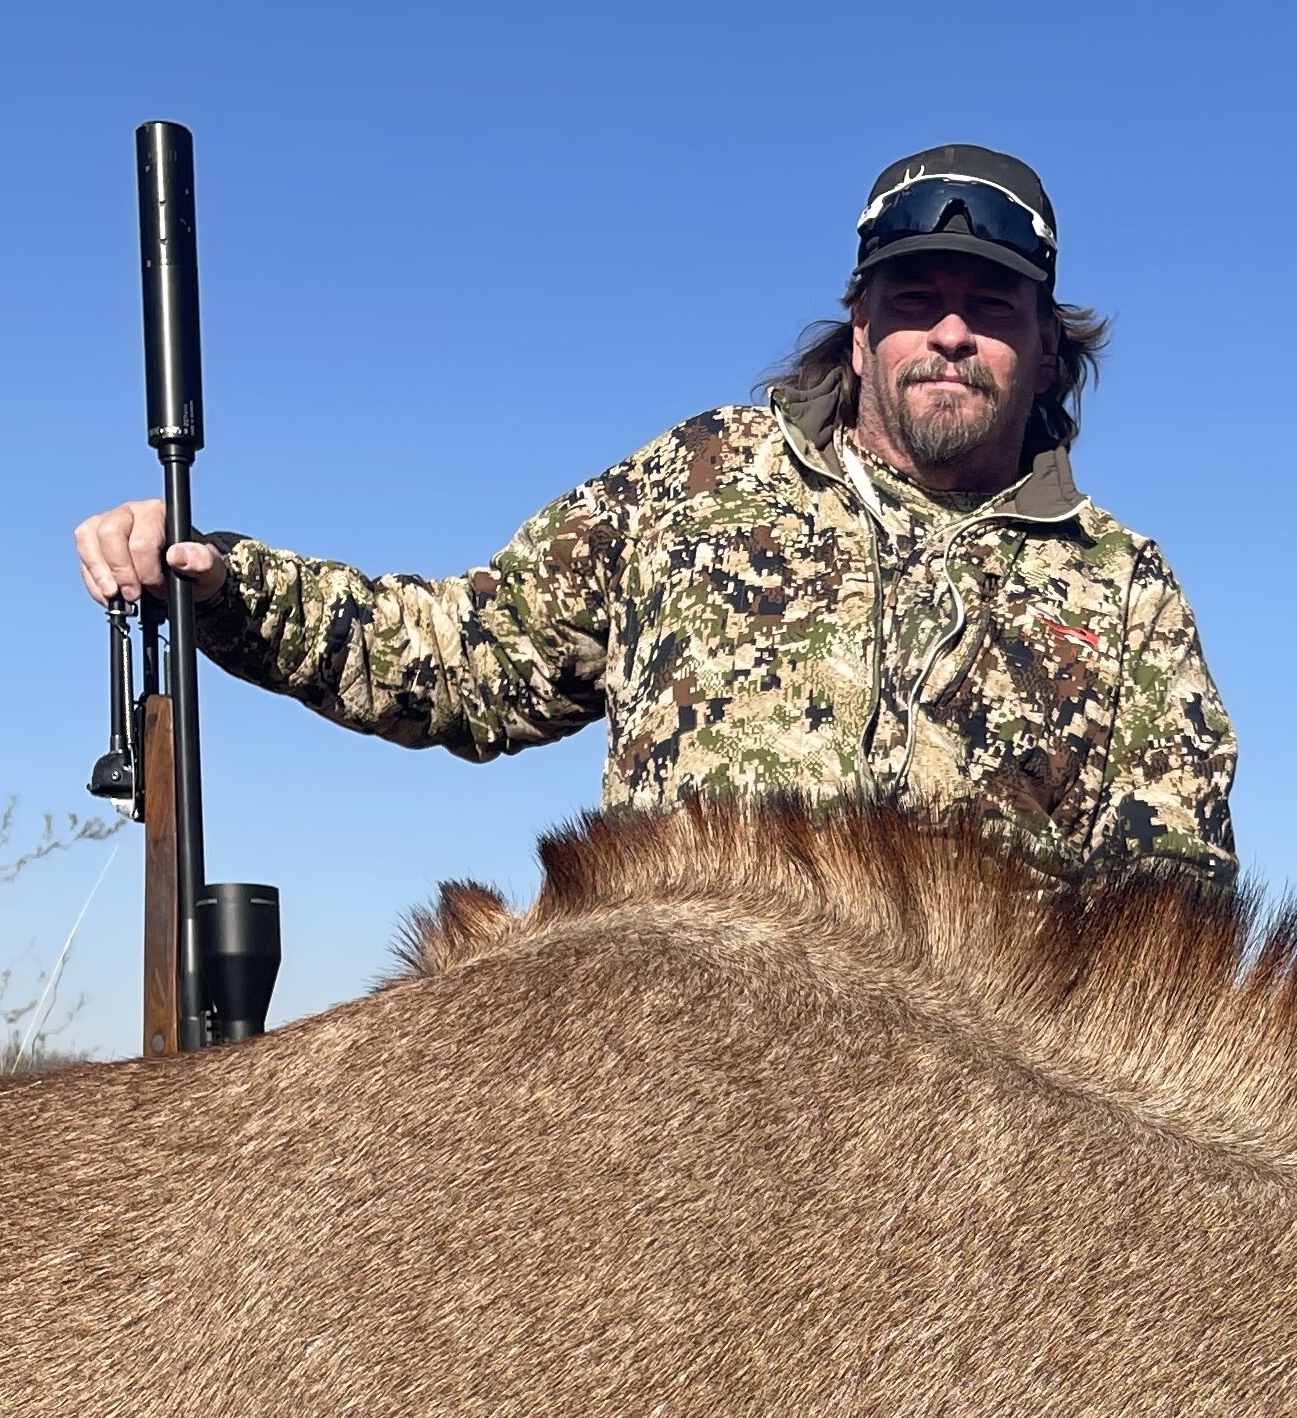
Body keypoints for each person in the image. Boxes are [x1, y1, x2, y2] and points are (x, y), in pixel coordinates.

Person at [72, 145, 1235, 889]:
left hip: (962, 1150)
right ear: (861, 327)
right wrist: (225, 582)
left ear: (1044, 351)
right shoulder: (693, 480)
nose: (948, 332)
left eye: (989, 307)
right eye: (914, 298)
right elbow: (467, 661)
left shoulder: (1124, 590)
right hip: (661, 1095)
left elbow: (1167, 924)